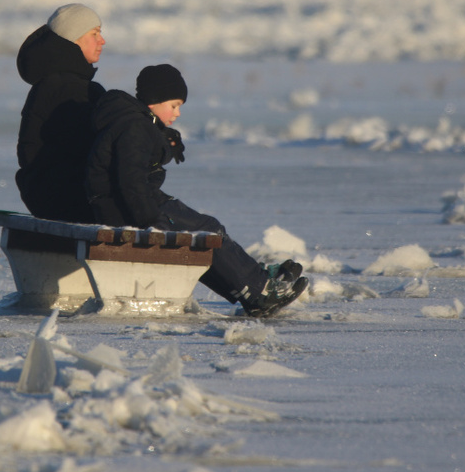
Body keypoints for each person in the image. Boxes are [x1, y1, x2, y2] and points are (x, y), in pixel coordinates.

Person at [86, 64, 308, 318]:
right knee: (207, 233)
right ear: (155, 100)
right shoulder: (135, 127)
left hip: (130, 204)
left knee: (208, 229)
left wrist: (162, 140)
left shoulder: (133, 122)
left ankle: (253, 284)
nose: (178, 113)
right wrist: (149, 219)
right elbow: (130, 180)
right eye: (174, 105)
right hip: (130, 210)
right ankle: (257, 290)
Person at [15, 3, 106, 222]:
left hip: (44, 194)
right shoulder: (69, 88)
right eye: (94, 34)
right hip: (64, 199)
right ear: (73, 40)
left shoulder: (54, 83)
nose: (102, 41)